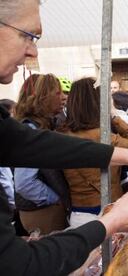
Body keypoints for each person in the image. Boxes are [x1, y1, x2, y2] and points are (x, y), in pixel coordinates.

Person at [0, 0, 128, 274]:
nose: (33, 51)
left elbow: (28, 143)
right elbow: (17, 264)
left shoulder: (56, 130)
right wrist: (109, 223)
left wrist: (125, 156)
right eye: (28, 35)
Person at [59, 77, 128, 228]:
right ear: (99, 103)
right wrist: (114, 116)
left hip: (79, 214)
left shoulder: (60, 135)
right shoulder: (105, 137)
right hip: (112, 213)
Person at [13, 73, 69, 234]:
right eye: (57, 93)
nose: (63, 97)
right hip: (43, 211)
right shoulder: (31, 129)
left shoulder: (41, 125)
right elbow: (24, 182)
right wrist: (55, 199)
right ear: (43, 96)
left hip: (43, 209)